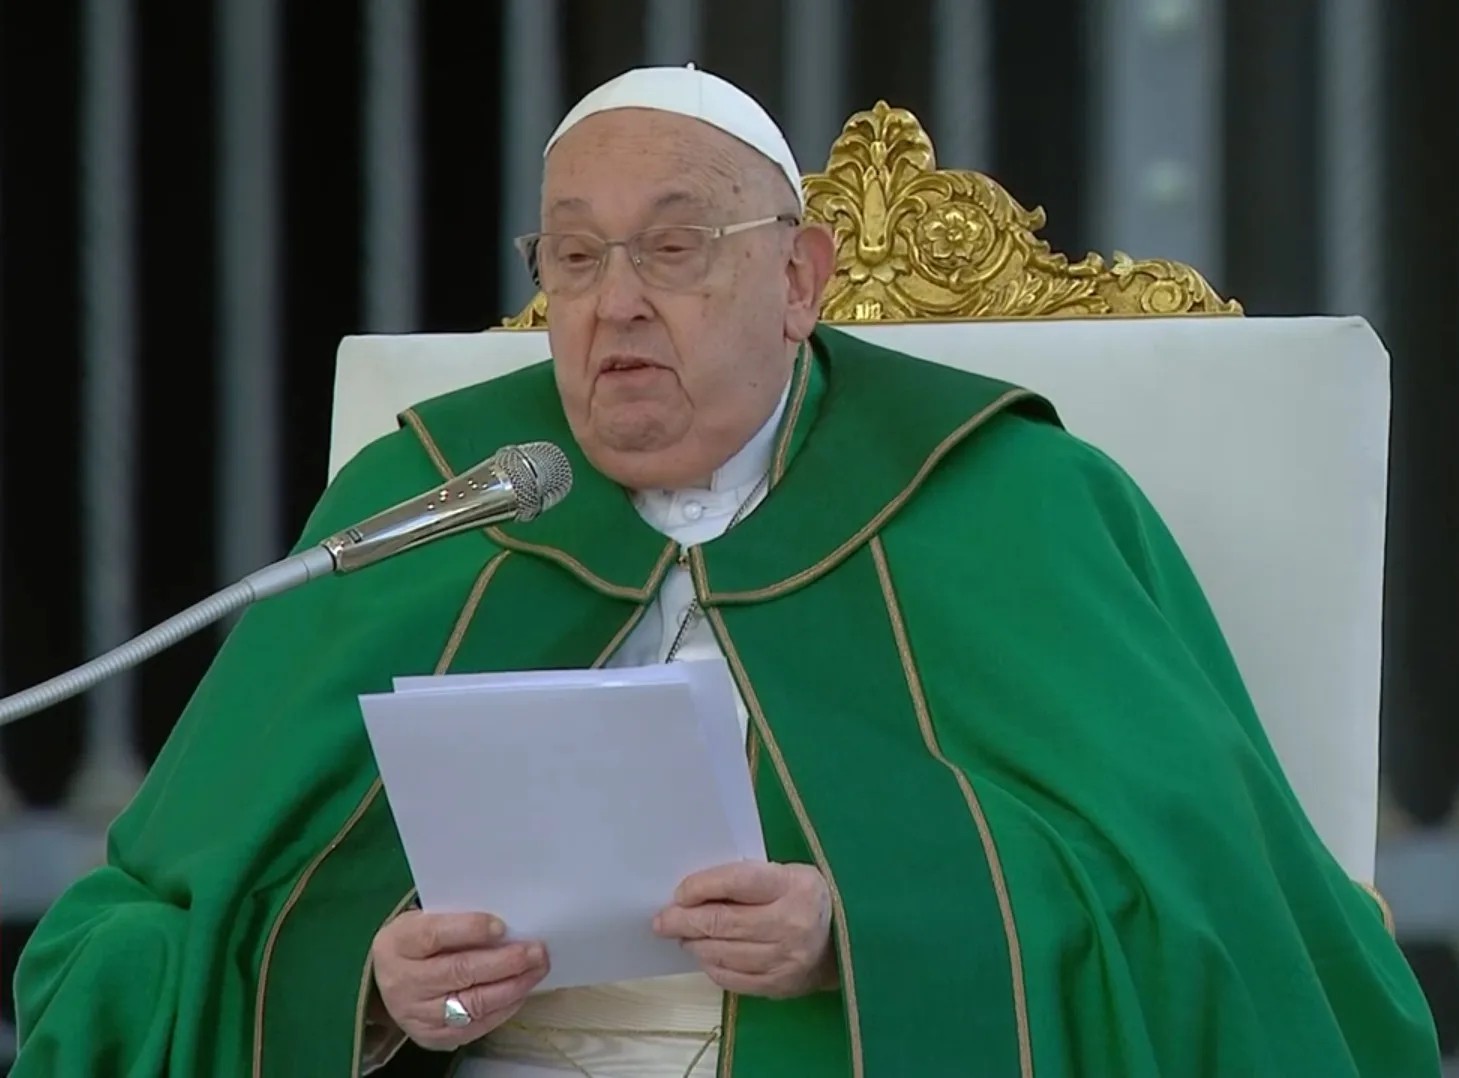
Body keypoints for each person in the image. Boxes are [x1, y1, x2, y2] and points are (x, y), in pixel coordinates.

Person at [11, 65, 1441, 1078]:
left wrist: (866, 923)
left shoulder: (1017, 505)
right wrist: (365, 989)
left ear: (802, 279)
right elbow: (140, 933)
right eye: (572, 257)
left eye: (675, 248)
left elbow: (1214, 920)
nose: (614, 301)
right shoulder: (427, 500)